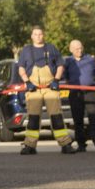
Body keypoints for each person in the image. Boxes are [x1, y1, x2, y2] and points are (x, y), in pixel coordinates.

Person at [17, 26, 74, 155]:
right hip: (33, 88)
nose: (38, 36)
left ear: (44, 35)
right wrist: (27, 82)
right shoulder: (26, 50)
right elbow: (21, 68)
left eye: (40, 34)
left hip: (50, 87)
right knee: (33, 118)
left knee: (57, 116)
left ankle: (65, 144)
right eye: (35, 34)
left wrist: (56, 80)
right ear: (32, 36)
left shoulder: (51, 48)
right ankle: (30, 145)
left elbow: (60, 65)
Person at [64, 39, 95, 152]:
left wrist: (89, 82)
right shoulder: (68, 62)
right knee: (78, 120)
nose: (80, 50)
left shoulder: (91, 60)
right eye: (77, 49)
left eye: (81, 47)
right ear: (71, 50)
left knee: (94, 118)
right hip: (75, 93)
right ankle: (81, 144)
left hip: (90, 92)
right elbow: (65, 77)